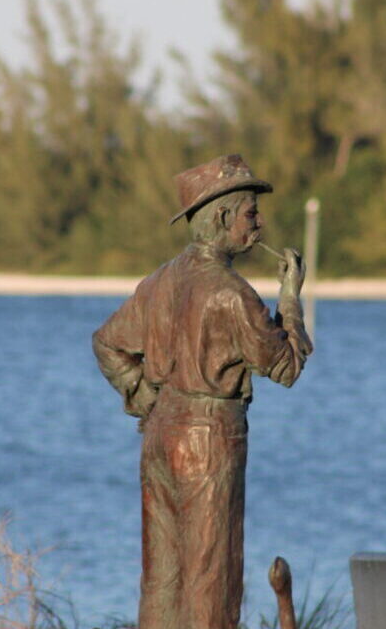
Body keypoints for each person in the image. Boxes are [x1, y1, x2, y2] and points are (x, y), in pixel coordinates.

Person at [92, 154, 313, 629]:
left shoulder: (158, 282)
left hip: (159, 439)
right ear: (221, 217)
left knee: (163, 578)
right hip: (210, 441)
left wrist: (146, 397)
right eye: (251, 213)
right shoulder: (231, 293)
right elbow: (288, 367)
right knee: (211, 577)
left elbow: (107, 343)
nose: (259, 222)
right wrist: (291, 298)